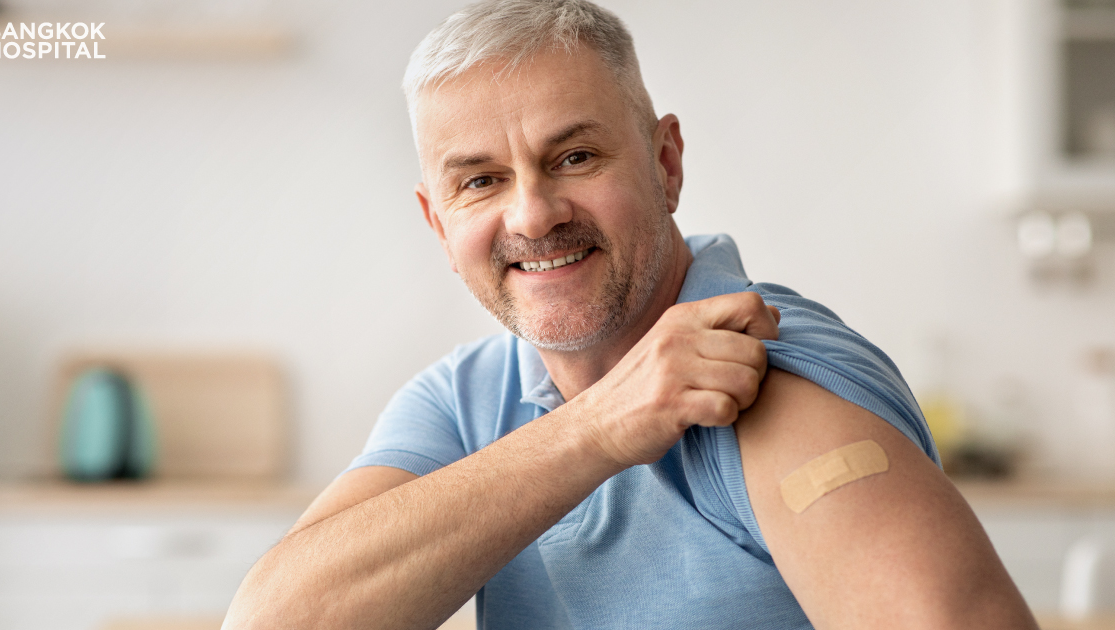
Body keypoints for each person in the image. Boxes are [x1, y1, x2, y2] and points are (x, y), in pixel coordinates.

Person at [224, 1, 1037, 628]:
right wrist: (600, 428)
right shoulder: (463, 402)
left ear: (665, 163)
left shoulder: (770, 380)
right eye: (480, 181)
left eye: (575, 157)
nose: (533, 215)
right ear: (438, 224)